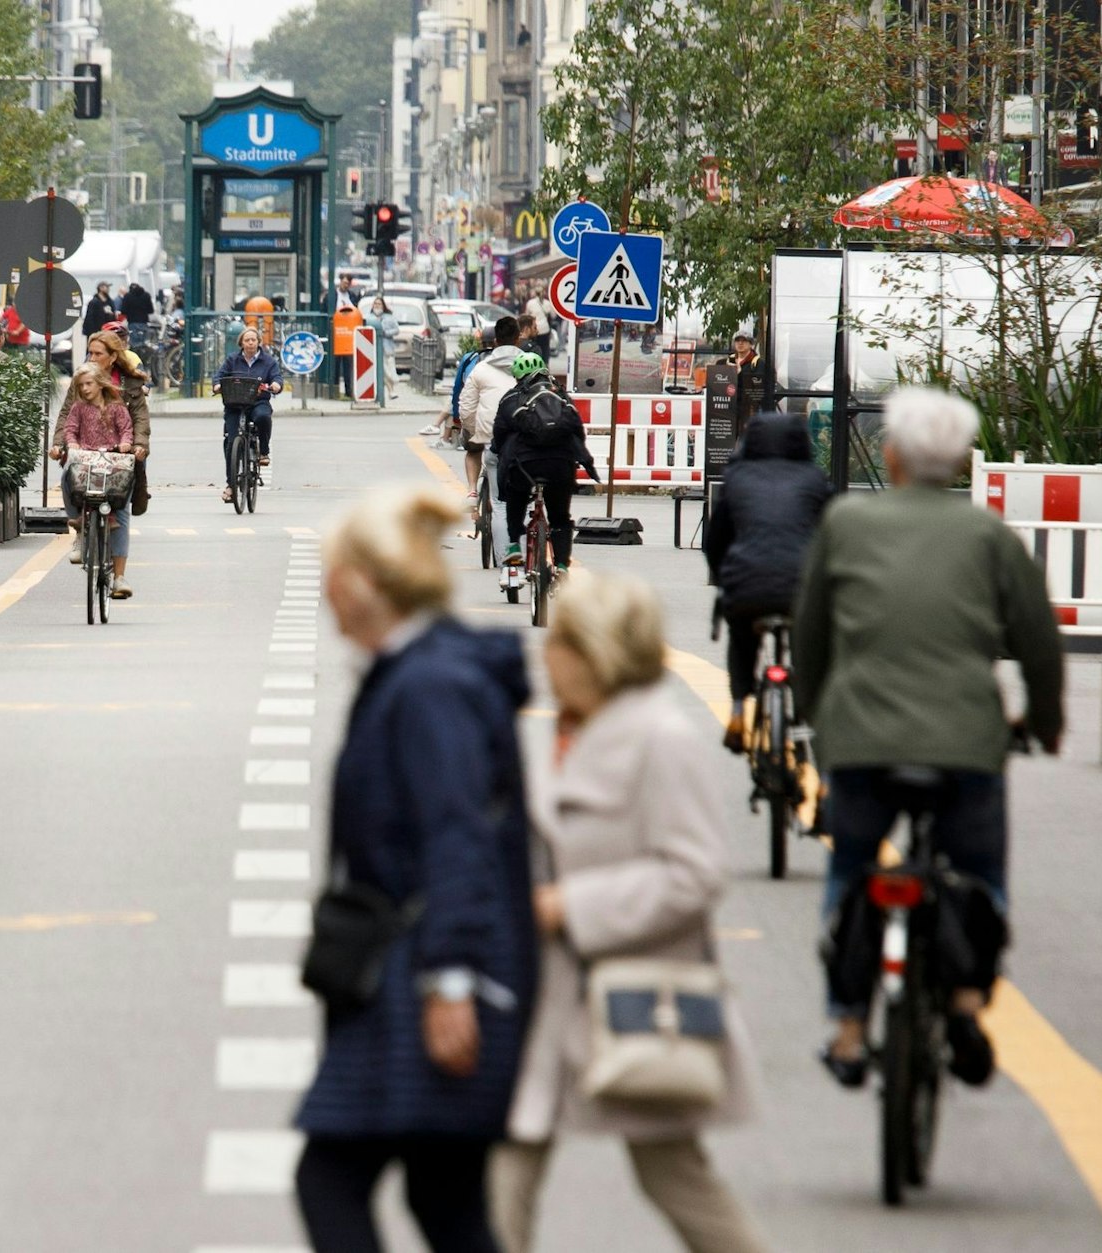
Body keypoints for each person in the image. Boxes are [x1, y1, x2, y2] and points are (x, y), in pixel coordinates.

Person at [793, 386, 1064, 1090]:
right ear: (962, 461)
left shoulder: (846, 522)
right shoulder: (988, 535)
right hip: (966, 739)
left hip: (861, 737)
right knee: (979, 872)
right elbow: (1038, 640)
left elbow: (812, 634)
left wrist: (816, 712)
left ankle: (849, 1027)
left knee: (853, 869)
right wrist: (1044, 723)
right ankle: (968, 1002)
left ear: (891, 454)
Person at [490, 569, 768, 1253]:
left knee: (675, 1176)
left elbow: (696, 872)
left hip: (637, 994)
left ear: (594, 652)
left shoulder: (657, 738)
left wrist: (570, 905)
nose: (545, 653)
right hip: (556, 996)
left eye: (558, 640)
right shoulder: (568, 728)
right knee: (506, 1172)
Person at [296, 485, 538, 1253]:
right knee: (446, 1201)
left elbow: (457, 834)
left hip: (433, 969)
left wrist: (452, 981)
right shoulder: (426, 671)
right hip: (438, 961)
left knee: (330, 1178)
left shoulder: (430, 685)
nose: (327, 586)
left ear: (366, 581)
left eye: (334, 570)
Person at [705, 411, 833, 753]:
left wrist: (722, 579)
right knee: (811, 651)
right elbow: (832, 537)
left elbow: (715, 539)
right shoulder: (814, 479)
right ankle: (811, 718)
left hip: (747, 583)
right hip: (803, 589)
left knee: (743, 640)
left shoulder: (737, 478)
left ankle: (737, 710)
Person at [491, 352, 597, 571]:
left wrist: (497, 451)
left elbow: (499, 435)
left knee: (515, 496)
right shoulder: (560, 396)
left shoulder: (512, 398)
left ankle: (514, 546)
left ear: (517, 376)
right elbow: (578, 430)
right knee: (559, 517)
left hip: (524, 465)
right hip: (560, 464)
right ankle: (561, 565)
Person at [52, 362, 134, 582]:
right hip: (85, 460)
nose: (85, 389)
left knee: (117, 489)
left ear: (100, 384)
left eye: (89, 384)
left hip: (111, 459)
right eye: (81, 386)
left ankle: (113, 520)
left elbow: (126, 430)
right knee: (67, 475)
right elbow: (70, 430)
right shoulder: (78, 408)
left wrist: (125, 443)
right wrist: (72, 444)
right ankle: (77, 519)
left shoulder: (116, 407)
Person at [88, 328, 153, 595]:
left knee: (122, 508)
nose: (92, 358)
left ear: (113, 357)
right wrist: (61, 444)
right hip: (88, 449)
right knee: (71, 479)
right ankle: (80, 530)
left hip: (122, 453)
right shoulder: (84, 378)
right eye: (90, 353)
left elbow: (140, 417)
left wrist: (139, 445)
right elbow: (68, 415)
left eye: (97, 354)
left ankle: (119, 577)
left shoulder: (131, 383)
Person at [216, 327, 284, 504]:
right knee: (231, 442)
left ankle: (263, 451)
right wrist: (217, 385)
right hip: (235, 403)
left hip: (258, 401)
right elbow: (219, 376)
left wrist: (276, 384)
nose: (251, 343)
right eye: (247, 340)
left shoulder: (268, 361)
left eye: (254, 340)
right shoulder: (232, 360)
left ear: (258, 342)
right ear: (241, 343)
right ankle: (231, 485)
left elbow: (277, 377)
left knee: (263, 417)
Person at [460, 316, 525, 499]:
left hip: (490, 434)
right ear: (518, 339)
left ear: (496, 341)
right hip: (525, 434)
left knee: (499, 503)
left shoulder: (481, 368)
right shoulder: (530, 365)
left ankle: (472, 492)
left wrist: (474, 431)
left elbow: (466, 407)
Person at [727, 334, 766, 425]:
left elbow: (758, 389)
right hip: (730, 408)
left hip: (749, 411)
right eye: (737, 340)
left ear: (751, 344)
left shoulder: (758, 363)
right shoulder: (728, 361)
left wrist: (740, 374)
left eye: (744, 341)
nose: (740, 343)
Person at [369, 296, 402, 397]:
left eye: (379, 304)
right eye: (375, 304)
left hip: (387, 348)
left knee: (390, 370)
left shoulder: (389, 317)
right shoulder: (369, 317)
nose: (377, 306)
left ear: (383, 306)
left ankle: (391, 389)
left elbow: (397, 330)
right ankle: (390, 391)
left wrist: (386, 333)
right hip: (373, 348)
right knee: (382, 371)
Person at [522, 287, 554, 358]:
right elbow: (553, 315)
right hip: (545, 329)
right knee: (545, 349)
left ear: (535, 293)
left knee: (534, 347)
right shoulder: (547, 303)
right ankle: (545, 364)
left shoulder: (530, 303)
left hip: (534, 329)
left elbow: (526, 315)